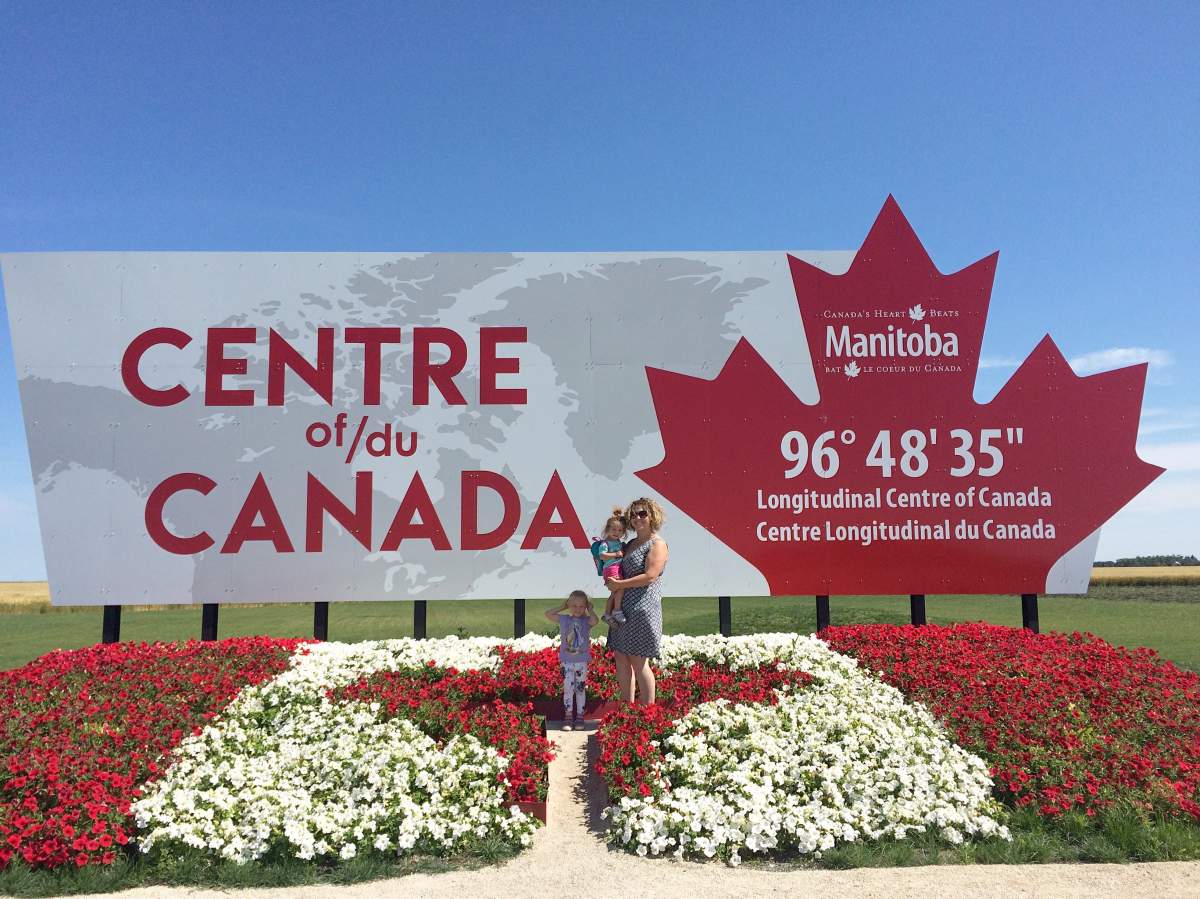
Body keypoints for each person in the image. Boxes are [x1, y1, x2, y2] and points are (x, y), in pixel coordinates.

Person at [604, 497, 668, 705]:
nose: (638, 518)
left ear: (652, 516)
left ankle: (648, 714)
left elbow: (650, 575)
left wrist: (619, 586)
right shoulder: (630, 544)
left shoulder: (657, 544)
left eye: (643, 514)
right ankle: (626, 711)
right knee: (621, 658)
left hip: (643, 609)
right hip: (622, 609)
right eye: (634, 514)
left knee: (639, 661)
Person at [543, 590, 599, 730]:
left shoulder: (586, 621)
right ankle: (568, 717)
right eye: (574, 605)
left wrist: (590, 610)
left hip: (581, 661)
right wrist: (563, 607)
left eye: (581, 606)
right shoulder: (564, 619)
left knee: (580, 689)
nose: (578, 609)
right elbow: (548, 614)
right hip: (567, 661)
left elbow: (595, 620)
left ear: (585, 606)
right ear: (569, 605)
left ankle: (580, 716)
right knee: (568, 688)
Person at [591, 508, 627, 626]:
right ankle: (616, 611)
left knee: (614, 593)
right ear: (607, 529)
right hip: (611, 569)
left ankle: (607, 614)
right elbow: (602, 556)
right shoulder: (605, 543)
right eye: (614, 529)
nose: (617, 532)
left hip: (616, 568)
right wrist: (616, 554)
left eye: (620, 530)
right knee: (620, 588)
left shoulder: (618, 543)